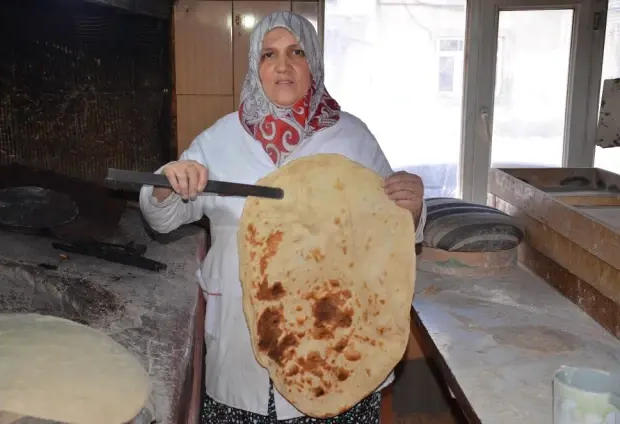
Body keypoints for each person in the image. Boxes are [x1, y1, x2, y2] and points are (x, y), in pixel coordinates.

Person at [139, 11, 426, 424]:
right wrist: (168, 182)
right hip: (243, 348)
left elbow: (393, 226)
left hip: (338, 342)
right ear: (256, 67)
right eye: (269, 55)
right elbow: (162, 218)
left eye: (297, 52)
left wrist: (413, 206)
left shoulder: (351, 136)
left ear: (315, 64)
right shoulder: (221, 139)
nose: (283, 65)